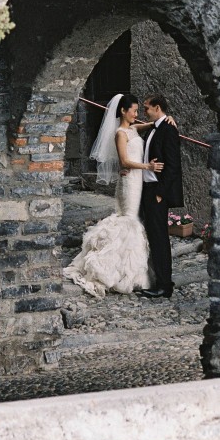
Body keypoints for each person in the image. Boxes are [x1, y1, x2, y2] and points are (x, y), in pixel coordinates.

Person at [63, 93, 166, 297]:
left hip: (138, 181)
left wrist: (166, 119)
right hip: (129, 182)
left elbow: (153, 125)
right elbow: (124, 162)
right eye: (134, 110)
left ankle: (131, 271)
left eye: (138, 110)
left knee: (134, 219)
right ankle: (114, 269)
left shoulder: (133, 128)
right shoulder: (120, 133)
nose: (137, 114)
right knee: (128, 219)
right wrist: (149, 166)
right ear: (123, 111)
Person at [138, 93, 184, 300]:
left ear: (157, 108)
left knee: (159, 239)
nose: (143, 111)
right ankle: (156, 279)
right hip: (146, 189)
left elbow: (173, 166)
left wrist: (160, 193)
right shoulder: (153, 128)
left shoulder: (168, 130)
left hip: (157, 191)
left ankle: (165, 285)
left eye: (146, 108)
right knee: (152, 236)